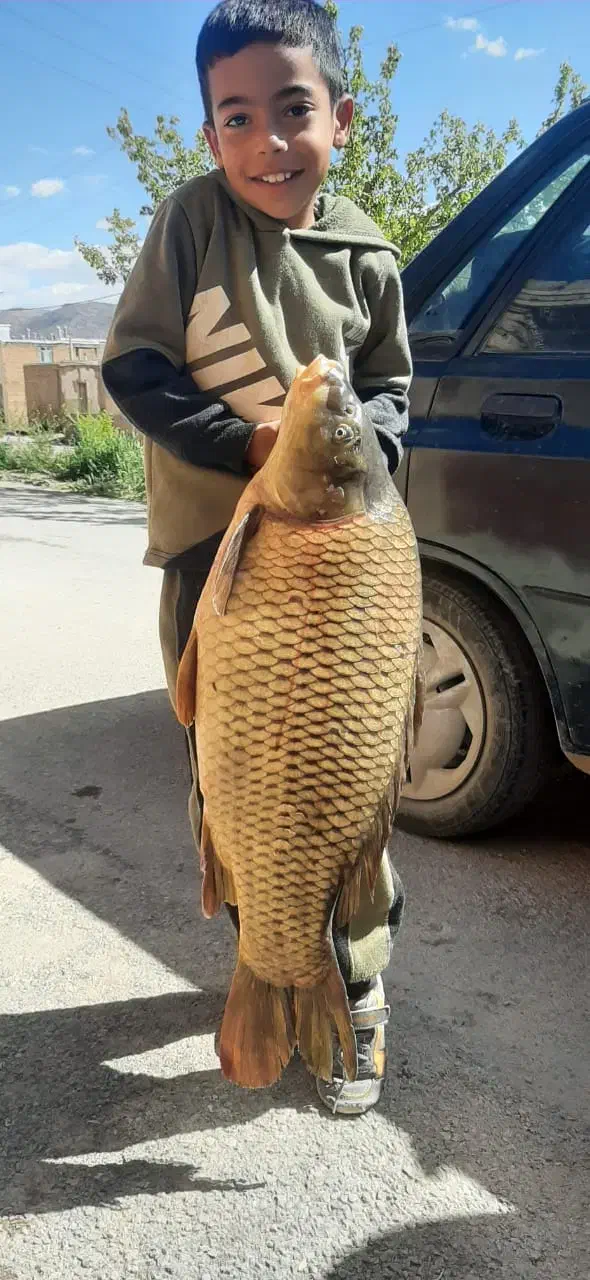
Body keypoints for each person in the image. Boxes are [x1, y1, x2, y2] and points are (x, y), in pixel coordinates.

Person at [102, 0, 412, 1116]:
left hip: (340, 590)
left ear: (339, 114)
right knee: (236, 797)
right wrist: (244, 444)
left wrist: (348, 438)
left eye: (292, 111)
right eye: (237, 118)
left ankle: (353, 981)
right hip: (216, 568)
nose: (268, 142)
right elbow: (134, 372)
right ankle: (269, 949)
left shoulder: (369, 252)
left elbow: (387, 395)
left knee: (347, 794)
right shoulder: (188, 223)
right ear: (208, 135)